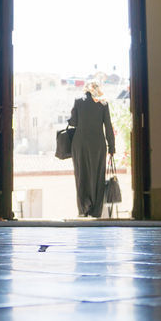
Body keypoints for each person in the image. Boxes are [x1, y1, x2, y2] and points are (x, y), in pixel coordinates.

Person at [69, 81, 115, 218]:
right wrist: (112, 147)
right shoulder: (103, 104)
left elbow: (73, 122)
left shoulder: (78, 102)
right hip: (98, 145)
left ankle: (83, 208)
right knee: (98, 176)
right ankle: (95, 210)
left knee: (81, 175)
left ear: (85, 91)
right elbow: (108, 126)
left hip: (80, 144)